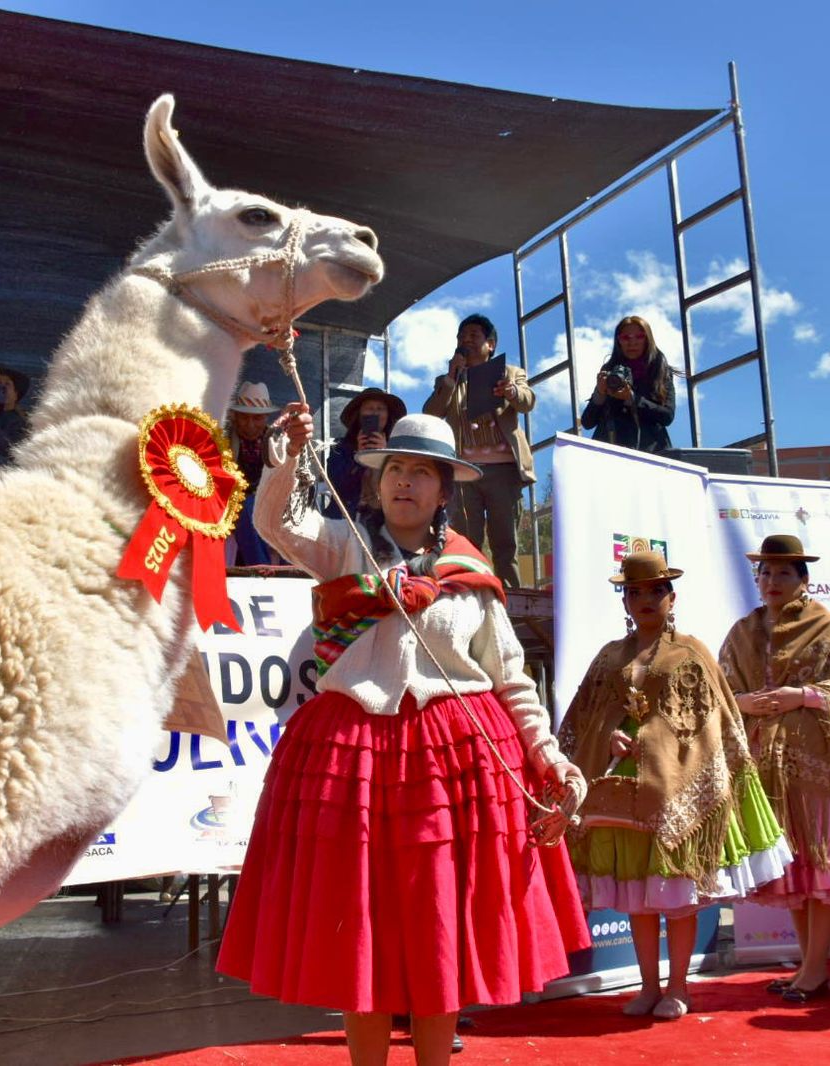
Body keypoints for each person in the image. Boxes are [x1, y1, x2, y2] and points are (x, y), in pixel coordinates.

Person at [217, 410, 588, 1066]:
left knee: (437, 926)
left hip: (457, 761)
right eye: (395, 469)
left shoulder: (470, 574)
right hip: (351, 756)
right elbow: (273, 525)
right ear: (377, 481)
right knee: (359, 925)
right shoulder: (341, 546)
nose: (405, 482)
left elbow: (510, 678)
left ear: (445, 489)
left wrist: (548, 755)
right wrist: (285, 460)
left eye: (422, 471)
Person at [559, 550, 790, 1020]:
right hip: (620, 787)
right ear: (624, 600)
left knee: (677, 898)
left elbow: (709, 722)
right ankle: (648, 986)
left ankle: (679, 986)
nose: (644, 599)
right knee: (638, 897)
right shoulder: (609, 655)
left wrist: (656, 742)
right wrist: (609, 735)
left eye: (654, 591)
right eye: (634, 591)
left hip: (676, 787)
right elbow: (585, 717)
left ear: (672, 597)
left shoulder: (691, 652)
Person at [718, 534, 830, 1003]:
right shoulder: (742, 631)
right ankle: (808, 966)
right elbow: (718, 694)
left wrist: (802, 696)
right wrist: (746, 703)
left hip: (821, 759)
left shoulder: (826, 624)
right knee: (793, 870)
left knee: (822, 864)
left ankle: (815, 969)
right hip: (766, 764)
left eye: (783, 573)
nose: (772, 580)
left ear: (803, 580)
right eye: (766, 572)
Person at [423, 313, 535, 589]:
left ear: (491, 344)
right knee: (464, 539)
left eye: (474, 336)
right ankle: (467, 594)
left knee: (504, 541)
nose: (466, 341)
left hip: (503, 470)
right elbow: (431, 413)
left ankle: (511, 599)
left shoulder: (511, 373)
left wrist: (509, 392)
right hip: (464, 472)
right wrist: (450, 378)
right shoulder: (449, 380)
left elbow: (528, 401)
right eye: (462, 337)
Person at [578, 315, 676, 454]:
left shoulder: (660, 370)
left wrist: (632, 399)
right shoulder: (610, 371)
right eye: (626, 338)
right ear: (619, 341)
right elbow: (587, 422)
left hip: (651, 454)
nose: (632, 343)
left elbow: (667, 416)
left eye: (639, 337)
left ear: (647, 339)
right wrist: (600, 394)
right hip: (611, 454)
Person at [323, 386, 405, 517]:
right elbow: (336, 484)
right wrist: (358, 458)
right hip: (343, 520)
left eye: (380, 409)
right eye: (369, 408)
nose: (375, 413)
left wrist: (384, 457)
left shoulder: (399, 449)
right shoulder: (341, 447)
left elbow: (402, 487)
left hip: (382, 522)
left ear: (388, 415)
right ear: (359, 415)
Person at [224, 381, 280, 566]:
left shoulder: (277, 443)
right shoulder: (222, 440)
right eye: (244, 417)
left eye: (257, 418)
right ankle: (260, 568)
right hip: (231, 506)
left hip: (269, 506)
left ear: (266, 418)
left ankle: (287, 571)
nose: (250, 424)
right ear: (235, 416)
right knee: (246, 507)